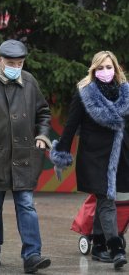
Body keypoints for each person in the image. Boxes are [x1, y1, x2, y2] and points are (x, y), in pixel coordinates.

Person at [0, 39, 52, 274]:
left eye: (20, 62)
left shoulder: (30, 82)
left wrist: (42, 135)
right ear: (0, 60)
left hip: (24, 158)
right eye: (11, 62)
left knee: (26, 205)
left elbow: (43, 112)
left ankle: (32, 255)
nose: (16, 66)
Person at [50, 50, 129, 270]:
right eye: (101, 68)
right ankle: (116, 248)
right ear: (94, 70)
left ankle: (98, 246)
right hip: (94, 157)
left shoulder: (125, 93)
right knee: (106, 199)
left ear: (116, 68)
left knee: (106, 198)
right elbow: (70, 126)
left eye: (109, 67)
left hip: (119, 156)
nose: (105, 71)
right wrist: (61, 154)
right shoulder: (85, 94)